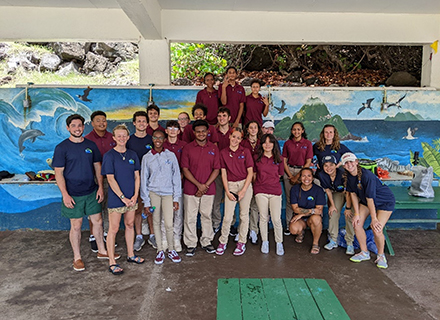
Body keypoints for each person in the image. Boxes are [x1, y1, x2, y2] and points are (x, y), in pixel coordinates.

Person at [53, 114, 117, 272]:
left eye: (80, 125)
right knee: (76, 226)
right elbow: (58, 173)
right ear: (68, 128)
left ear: (84, 126)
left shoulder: (91, 145)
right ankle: (77, 257)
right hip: (73, 194)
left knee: (98, 221)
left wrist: (101, 187)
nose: (77, 128)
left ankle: (102, 251)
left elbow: (97, 167)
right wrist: (65, 194)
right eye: (73, 125)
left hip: (91, 191)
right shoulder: (62, 148)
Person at [102, 125, 144, 275]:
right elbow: (110, 179)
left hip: (131, 198)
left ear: (128, 137)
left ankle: (131, 254)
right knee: (113, 229)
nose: (121, 138)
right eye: (118, 136)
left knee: (130, 225)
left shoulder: (132, 155)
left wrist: (134, 195)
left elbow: (137, 177)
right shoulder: (109, 156)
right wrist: (123, 197)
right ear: (114, 138)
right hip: (117, 199)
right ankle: (112, 261)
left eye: (124, 136)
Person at [342, 152, 395, 269]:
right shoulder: (348, 176)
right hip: (366, 203)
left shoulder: (367, 176)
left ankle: (381, 256)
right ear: (343, 165)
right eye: (346, 163)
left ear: (356, 162)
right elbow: (353, 195)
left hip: (384, 202)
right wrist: (356, 214)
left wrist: (374, 219)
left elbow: (370, 199)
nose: (349, 164)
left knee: (377, 229)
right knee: (357, 223)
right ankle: (364, 252)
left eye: (351, 161)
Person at [141, 130, 182, 264]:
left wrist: (176, 198)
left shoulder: (171, 156)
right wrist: (146, 201)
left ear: (164, 140)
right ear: (152, 139)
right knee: (156, 222)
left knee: (169, 223)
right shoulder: (147, 157)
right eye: (155, 138)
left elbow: (176, 177)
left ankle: (171, 249)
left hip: (168, 194)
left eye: (161, 138)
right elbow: (143, 180)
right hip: (153, 194)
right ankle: (160, 250)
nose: (158, 140)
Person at [181, 120, 220, 257]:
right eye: (198, 131)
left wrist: (204, 186)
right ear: (194, 133)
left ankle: (206, 241)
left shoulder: (213, 148)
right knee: (190, 217)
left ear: (208, 132)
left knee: (206, 216)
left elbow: (216, 169)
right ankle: (191, 244)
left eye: (203, 131)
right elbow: (185, 169)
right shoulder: (188, 148)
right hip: (191, 189)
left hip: (209, 189)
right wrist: (199, 185)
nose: (201, 133)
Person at [216, 128, 254, 256]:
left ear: (241, 140)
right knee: (227, 217)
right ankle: (223, 241)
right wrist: (227, 191)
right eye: (233, 136)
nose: (235, 140)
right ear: (229, 136)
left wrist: (243, 190)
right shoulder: (223, 153)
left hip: (245, 184)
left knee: (244, 216)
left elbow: (250, 172)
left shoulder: (246, 151)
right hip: (231, 185)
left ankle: (241, 242)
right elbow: (223, 174)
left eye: (238, 138)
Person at [84, 110, 115, 252]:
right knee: (95, 208)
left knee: (109, 207)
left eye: (104, 120)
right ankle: (94, 236)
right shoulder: (87, 140)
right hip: (93, 179)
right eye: (98, 120)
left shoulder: (113, 138)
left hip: (111, 178)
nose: (102, 123)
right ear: (92, 123)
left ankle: (108, 235)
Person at [126, 111, 155, 251]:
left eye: (144, 121)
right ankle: (138, 236)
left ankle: (153, 235)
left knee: (150, 208)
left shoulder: (152, 140)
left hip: (151, 181)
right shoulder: (129, 141)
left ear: (147, 124)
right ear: (134, 123)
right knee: (137, 209)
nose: (141, 123)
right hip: (134, 181)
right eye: (139, 121)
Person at [253, 134, 285, 256]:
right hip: (261, 190)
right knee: (263, 218)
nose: (267, 145)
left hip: (275, 191)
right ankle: (265, 241)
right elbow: (254, 174)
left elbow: (280, 175)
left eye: (270, 142)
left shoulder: (279, 158)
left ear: (274, 144)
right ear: (261, 144)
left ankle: (279, 242)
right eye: (265, 142)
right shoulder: (257, 157)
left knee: (276, 219)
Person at [317, 155, 355, 255]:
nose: (328, 168)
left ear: (336, 165)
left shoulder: (343, 174)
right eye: (326, 165)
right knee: (333, 213)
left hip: (350, 194)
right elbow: (328, 191)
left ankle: (350, 243)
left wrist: (348, 208)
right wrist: (332, 205)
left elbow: (348, 192)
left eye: (331, 165)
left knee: (349, 216)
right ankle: (333, 240)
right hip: (337, 193)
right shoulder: (322, 175)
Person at [282, 122, 313, 235]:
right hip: (289, 170)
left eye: (298, 129)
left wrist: (298, 176)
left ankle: (303, 223)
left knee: (302, 198)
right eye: (294, 129)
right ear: (291, 131)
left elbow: (308, 161)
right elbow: (284, 161)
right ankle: (288, 225)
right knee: (290, 200)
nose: (296, 132)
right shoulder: (287, 143)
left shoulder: (307, 143)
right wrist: (290, 176)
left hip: (303, 172)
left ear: (303, 131)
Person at [289, 168, 326, 254]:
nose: (306, 179)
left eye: (309, 176)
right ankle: (301, 232)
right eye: (303, 176)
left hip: (312, 217)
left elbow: (319, 211)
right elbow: (295, 209)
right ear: (300, 177)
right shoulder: (295, 189)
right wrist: (306, 213)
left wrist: (302, 214)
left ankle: (315, 243)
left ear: (313, 178)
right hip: (300, 218)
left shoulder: (318, 190)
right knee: (293, 229)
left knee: (316, 219)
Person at [163, 120, 187, 252]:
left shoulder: (184, 145)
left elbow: (186, 165)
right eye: (170, 128)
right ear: (166, 131)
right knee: (164, 214)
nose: (172, 130)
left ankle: (177, 238)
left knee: (178, 213)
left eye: (175, 128)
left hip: (180, 185)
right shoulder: (161, 145)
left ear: (179, 131)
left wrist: (179, 178)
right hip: (164, 187)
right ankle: (166, 239)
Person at [212, 107, 234, 234]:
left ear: (229, 118)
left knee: (231, 200)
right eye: (219, 116)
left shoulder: (234, 133)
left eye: (224, 115)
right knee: (215, 200)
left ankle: (230, 226)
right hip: (217, 172)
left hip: (232, 173)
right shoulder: (213, 132)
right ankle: (216, 224)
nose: (222, 118)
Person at [241, 120, 263, 245]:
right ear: (247, 130)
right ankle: (242, 230)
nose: (253, 129)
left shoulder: (262, 142)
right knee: (243, 206)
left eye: (255, 127)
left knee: (255, 205)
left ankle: (254, 230)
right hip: (245, 177)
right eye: (251, 127)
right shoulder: (243, 143)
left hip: (259, 177)